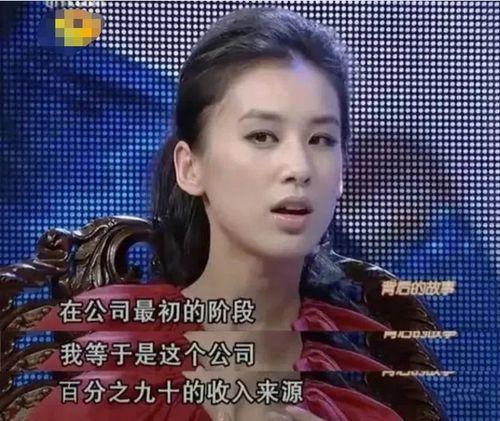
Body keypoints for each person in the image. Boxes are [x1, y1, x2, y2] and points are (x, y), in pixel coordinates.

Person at [27, 6, 445, 420]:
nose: (299, 168)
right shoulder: (114, 379)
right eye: (262, 136)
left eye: (321, 139)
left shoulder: (366, 392)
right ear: (191, 167)